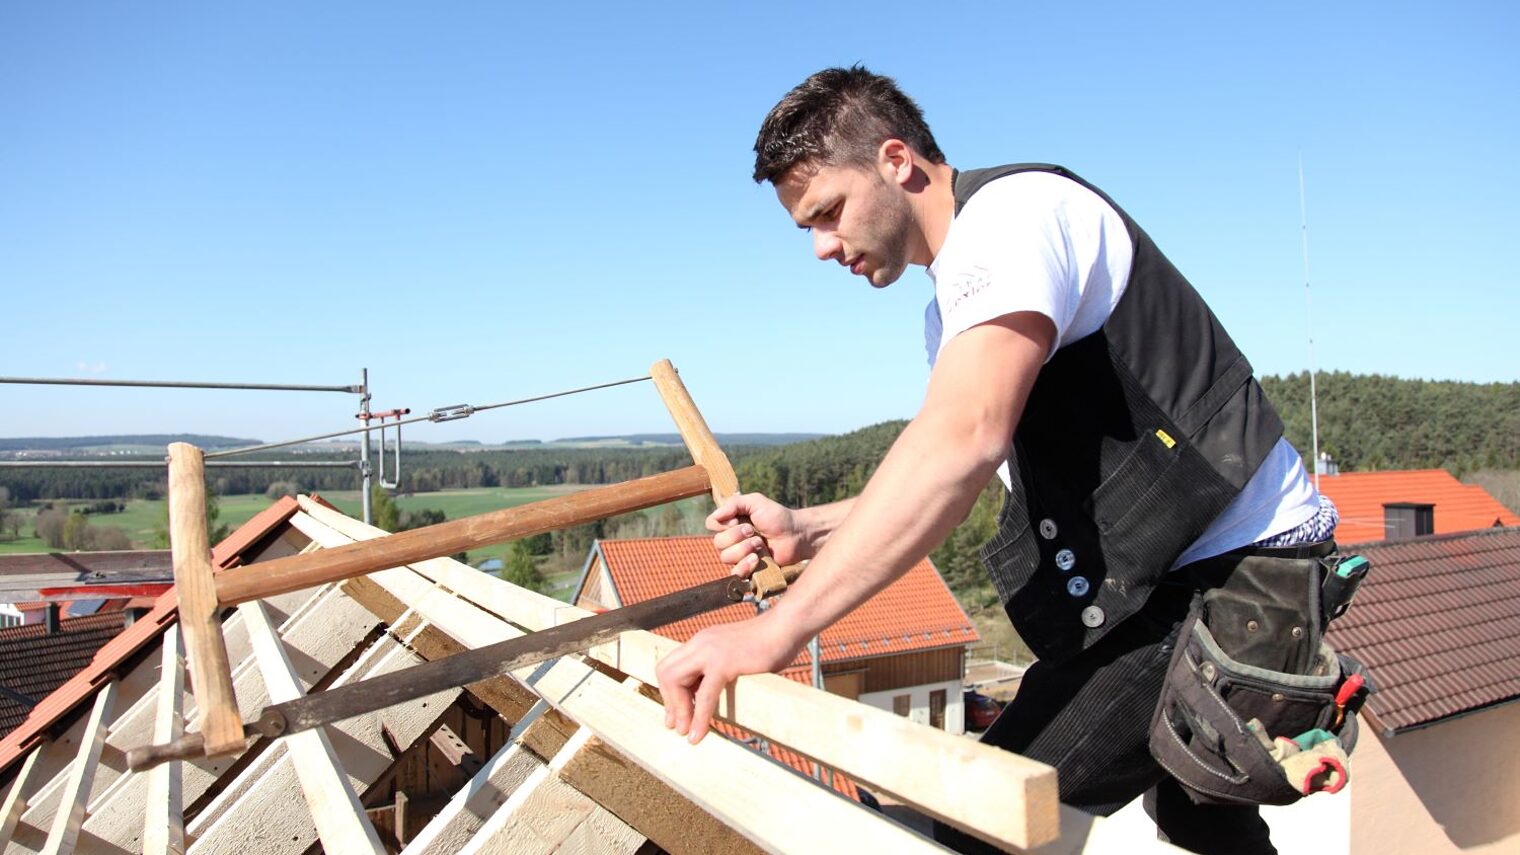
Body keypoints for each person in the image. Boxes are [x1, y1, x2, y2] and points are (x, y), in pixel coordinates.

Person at [654, 66, 1341, 855]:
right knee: (1198, 818)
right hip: (1169, 580)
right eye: (807, 226)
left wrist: (772, 634)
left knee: (981, 821)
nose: (820, 247)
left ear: (897, 161)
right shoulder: (949, 308)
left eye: (829, 212)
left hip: (1234, 576)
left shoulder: (1014, 219)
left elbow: (961, 439)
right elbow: (980, 463)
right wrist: (809, 530)